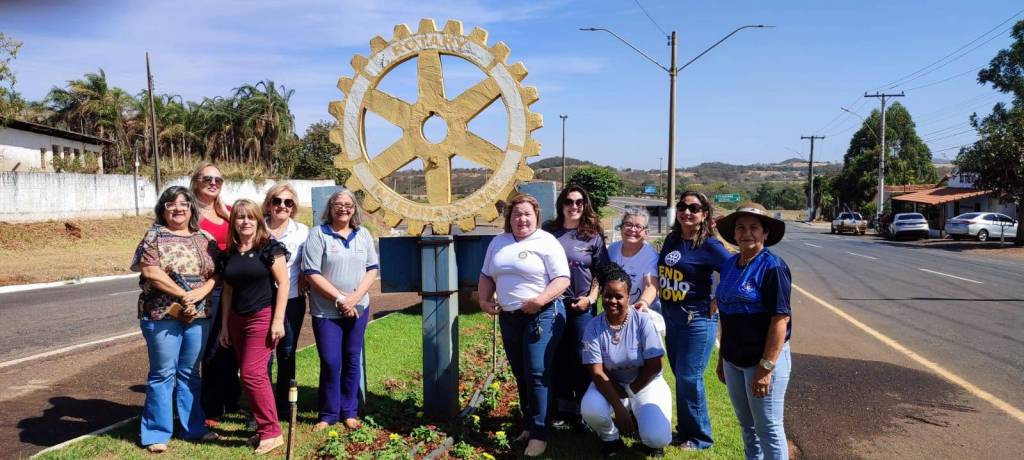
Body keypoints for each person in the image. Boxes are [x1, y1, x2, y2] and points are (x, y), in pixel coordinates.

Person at [478, 193, 570, 457]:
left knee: (537, 372)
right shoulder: (498, 242)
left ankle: (540, 433)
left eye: (527, 214)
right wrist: (484, 300)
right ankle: (529, 425)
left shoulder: (546, 241)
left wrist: (539, 301)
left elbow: (562, 279)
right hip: (510, 317)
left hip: (543, 315)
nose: (522, 219)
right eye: (517, 214)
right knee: (521, 373)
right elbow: (486, 274)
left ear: (536, 216)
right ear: (509, 217)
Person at [131, 186, 220, 453]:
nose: (178, 208)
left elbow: (218, 273)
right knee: (162, 373)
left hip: (199, 315)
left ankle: (194, 427)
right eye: (171, 204)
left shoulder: (205, 238)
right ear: (163, 209)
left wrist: (201, 293)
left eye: (184, 203)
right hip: (162, 315)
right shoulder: (154, 236)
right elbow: (151, 271)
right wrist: (184, 295)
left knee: (190, 373)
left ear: (192, 208)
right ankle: (156, 432)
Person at [714, 203, 792, 460]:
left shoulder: (773, 268)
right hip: (733, 359)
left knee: (768, 428)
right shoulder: (729, 265)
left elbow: (780, 319)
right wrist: (722, 358)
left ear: (765, 233)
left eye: (754, 228)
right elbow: (725, 314)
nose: (747, 233)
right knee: (747, 426)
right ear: (734, 233)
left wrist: (765, 368)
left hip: (762, 361)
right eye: (741, 228)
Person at [658, 191, 731, 450]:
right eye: (682, 206)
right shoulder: (672, 239)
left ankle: (700, 437)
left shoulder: (710, 245)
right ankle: (685, 430)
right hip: (672, 317)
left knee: (690, 377)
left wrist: (718, 298)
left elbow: (736, 270)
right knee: (681, 376)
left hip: (697, 319)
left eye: (694, 208)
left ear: (704, 214)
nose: (686, 212)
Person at [303, 189, 379, 432]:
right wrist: (340, 299)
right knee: (330, 361)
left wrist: (354, 298)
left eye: (348, 205)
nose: (343, 208)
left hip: (358, 308)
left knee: (351, 359)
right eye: (338, 204)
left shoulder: (362, 234)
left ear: (354, 209)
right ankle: (328, 414)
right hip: (326, 311)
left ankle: (349, 412)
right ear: (330, 207)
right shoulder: (318, 234)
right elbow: (311, 273)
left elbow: (372, 269)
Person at [218, 199, 289, 455]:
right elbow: (227, 291)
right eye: (240, 217)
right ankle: (264, 428)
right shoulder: (230, 253)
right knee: (252, 376)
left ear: (258, 220)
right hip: (237, 319)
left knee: (252, 374)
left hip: (262, 316)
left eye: (250, 216)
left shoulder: (269, 247)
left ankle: (272, 432)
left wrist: (278, 320)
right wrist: (225, 325)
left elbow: (284, 283)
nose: (245, 221)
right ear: (233, 222)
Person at [580, 263, 672, 458]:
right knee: (590, 409)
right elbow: (597, 372)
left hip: (646, 383)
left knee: (657, 437)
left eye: (618, 296)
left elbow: (655, 365)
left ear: (628, 297)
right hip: (611, 384)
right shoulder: (593, 327)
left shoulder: (643, 321)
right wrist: (618, 406)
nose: (612, 301)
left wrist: (629, 392)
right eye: (607, 295)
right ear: (601, 295)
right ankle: (610, 437)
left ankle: (644, 426)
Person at [542, 185, 608, 427]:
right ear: (561, 204)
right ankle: (562, 410)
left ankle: (584, 409)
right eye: (569, 201)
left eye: (579, 202)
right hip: (553, 304)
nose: (574, 206)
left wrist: (590, 299)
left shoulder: (593, 235)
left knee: (582, 356)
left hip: (582, 306)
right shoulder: (548, 232)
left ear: (585, 205)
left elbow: (601, 272)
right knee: (557, 354)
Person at [192, 162, 242, 426]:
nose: (213, 183)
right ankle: (211, 408)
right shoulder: (188, 212)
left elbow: (250, 235)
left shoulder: (229, 212)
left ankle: (232, 399)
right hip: (206, 288)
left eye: (218, 180)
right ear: (196, 181)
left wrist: (228, 216)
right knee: (210, 348)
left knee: (230, 346)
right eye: (207, 179)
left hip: (233, 286)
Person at [262, 183, 310, 413]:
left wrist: (304, 275)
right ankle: (263, 405)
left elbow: (310, 260)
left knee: (287, 353)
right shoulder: (257, 227)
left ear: (293, 207)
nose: (282, 206)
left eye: (288, 202)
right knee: (263, 354)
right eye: (277, 201)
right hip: (261, 300)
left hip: (292, 300)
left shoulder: (303, 232)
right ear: (268, 204)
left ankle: (284, 405)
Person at [607, 207, 660, 314]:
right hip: (616, 311)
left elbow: (650, 284)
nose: (632, 229)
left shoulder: (651, 255)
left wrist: (643, 302)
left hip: (642, 313)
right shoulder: (612, 249)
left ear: (646, 232)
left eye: (638, 226)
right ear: (621, 228)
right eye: (628, 224)